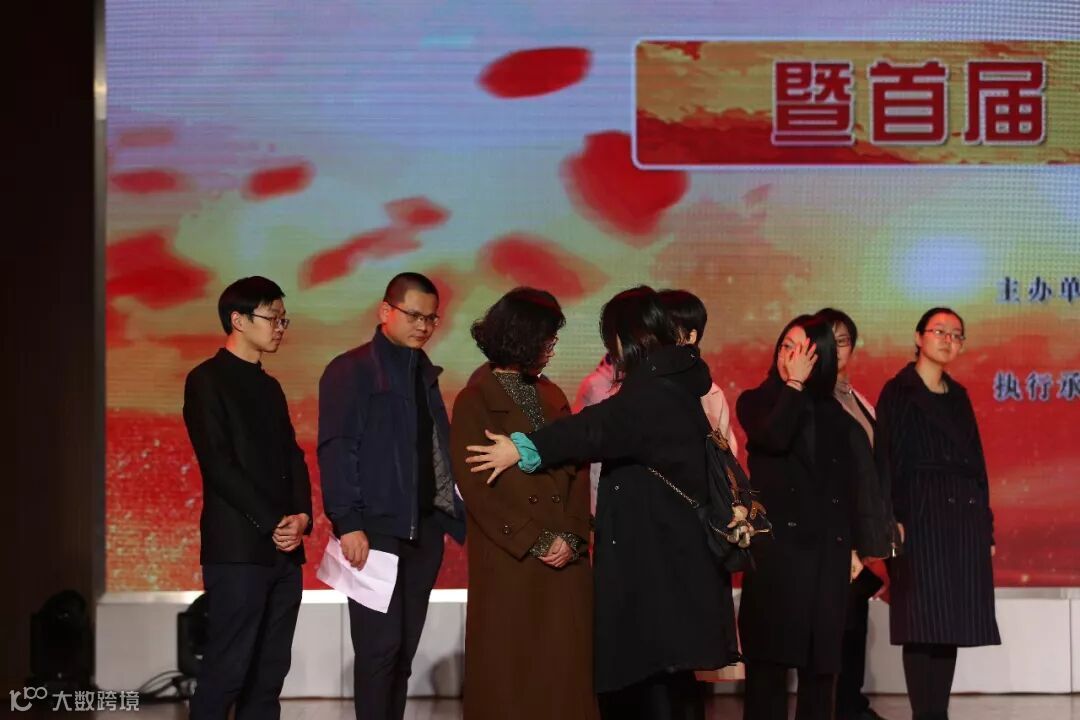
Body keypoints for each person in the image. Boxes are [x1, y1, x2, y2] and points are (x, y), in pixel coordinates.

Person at [466, 286, 739, 720]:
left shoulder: (654, 388)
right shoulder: (678, 378)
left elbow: (595, 428)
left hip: (658, 561)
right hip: (672, 558)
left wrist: (523, 448)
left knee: (653, 683)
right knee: (668, 681)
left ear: (625, 338)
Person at [318, 272, 466, 720]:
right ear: (386, 311)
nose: (423, 326)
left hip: (423, 532)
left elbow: (437, 448)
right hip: (375, 533)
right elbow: (337, 449)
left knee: (402, 654)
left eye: (431, 318)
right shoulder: (351, 369)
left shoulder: (423, 372)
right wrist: (348, 522)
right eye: (414, 315)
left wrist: (452, 514)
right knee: (378, 651)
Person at [450, 288, 598, 720]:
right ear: (522, 336)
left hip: (565, 557)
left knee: (565, 679)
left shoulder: (552, 394)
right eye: (547, 337)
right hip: (512, 558)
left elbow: (578, 465)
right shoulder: (475, 399)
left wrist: (572, 534)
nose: (552, 346)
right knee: (512, 679)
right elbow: (476, 489)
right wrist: (536, 539)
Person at [735, 314, 890, 720]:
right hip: (776, 559)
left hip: (826, 558)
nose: (791, 355)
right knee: (767, 673)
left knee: (821, 675)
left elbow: (858, 485)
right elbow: (775, 437)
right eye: (786, 345)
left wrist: (864, 546)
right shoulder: (757, 401)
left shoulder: (838, 416)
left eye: (803, 349)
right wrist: (794, 385)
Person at [183, 276, 312, 720]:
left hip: (284, 552)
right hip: (238, 549)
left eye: (283, 319)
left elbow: (292, 456)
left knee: (269, 676)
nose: (279, 327)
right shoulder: (206, 380)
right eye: (272, 318)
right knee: (227, 672)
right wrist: (274, 520)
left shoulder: (270, 386)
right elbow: (218, 464)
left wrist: (301, 516)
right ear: (238, 320)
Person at [876, 308, 1000, 720]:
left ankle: (938, 713)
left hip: (961, 522)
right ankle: (924, 714)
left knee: (949, 622)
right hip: (917, 518)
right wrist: (889, 519)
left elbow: (978, 465)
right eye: (940, 331)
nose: (948, 340)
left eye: (957, 335)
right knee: (920, 620)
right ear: (919, 337)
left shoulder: (959, 395)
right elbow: (885, 461)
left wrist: (986, 527)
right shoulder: (898, 391)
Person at [817, 308, 892, 720]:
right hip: (831, 532)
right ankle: (837, 707)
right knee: (836, 625)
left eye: (843, 340)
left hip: (860, 534)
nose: (836, 347)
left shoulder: (857, 399)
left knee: (854, 621)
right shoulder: (813, 400)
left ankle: (851, 704)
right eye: (828, 339)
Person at [658, 289, 739, 455]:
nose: (655, 338)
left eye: (664, 330)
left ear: (690, 337)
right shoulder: (637, 385)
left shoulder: (713, 395)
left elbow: (725, 455)